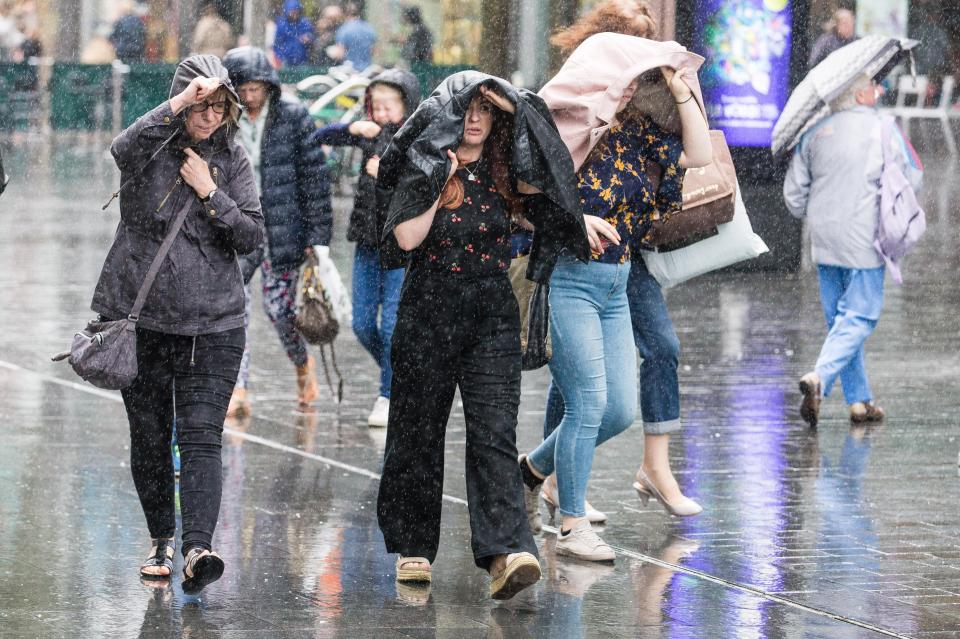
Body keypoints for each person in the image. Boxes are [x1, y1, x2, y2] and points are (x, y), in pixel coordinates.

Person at [376, 71, 589, 598]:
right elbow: (405, 239)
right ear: (450, 115)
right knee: (417, 432)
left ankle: (505, 552)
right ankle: (415, 547)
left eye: (486, 111)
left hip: (491, 313)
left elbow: (553, 184)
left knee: (494, 433)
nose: (474, 119)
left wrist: (516, 109)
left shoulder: (506, 169)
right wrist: (435, 181)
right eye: (467, 109)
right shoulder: (427, 163)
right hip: (428, 309)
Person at [519, 32, 713, 562]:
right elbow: (525, 196)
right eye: (625, 77)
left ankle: (532, 470)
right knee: (587, 406)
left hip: (617, 281)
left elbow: (698, 153)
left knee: (620, 412)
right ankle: (574, 523)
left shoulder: (638, 133)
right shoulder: (565, 126)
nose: (631, 88)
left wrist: (678, 91)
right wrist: (574, 218)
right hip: (571, 278)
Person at [90, 54, 263, 592]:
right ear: (181, 99)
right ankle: (163, 539)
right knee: (150, 436)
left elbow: (252, 235)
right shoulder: (148, 148)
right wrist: (178, 104)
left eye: (218, 106)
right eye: (199, 104)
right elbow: (120, 147)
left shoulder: (233, 159)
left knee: (202, 437)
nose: (209, 116)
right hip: (142, 320)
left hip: (214, 325)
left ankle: (199, 549)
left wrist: (211, 192)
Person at [784, 74, 922, 427]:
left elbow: (794, 195)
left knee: (840, 322)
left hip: (824, 238)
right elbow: (913, 175)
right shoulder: (884, 127)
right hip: (864, 235)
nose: (876, 90)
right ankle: (820, 378)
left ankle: (860, 401)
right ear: (859, 94)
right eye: (872, 85)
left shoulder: (812, 132)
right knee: (859, 316)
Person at [222, 46, 333, 417]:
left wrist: (317, 238)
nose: (250, 96)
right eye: (243, 89)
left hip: (284, 229)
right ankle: (237, 388)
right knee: (233, 311)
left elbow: (315, 181)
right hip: (237, 228)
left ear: (269, 86)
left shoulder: (293, 117)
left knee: (281, 311)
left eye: (256, 88)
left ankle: (302, 364)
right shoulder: (222, 120)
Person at [312, 69, 420, 427]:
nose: (383, 113)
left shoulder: (418, 138)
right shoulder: (369, 133)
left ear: (407, 105)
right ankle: (404, 380)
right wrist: (350, 130)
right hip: (367, 240)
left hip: (400, 245)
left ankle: (388, 395)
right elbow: (317, 137)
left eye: (391, 105)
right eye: (377, 105)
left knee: (391, 325)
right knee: (360, 324)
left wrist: (388, 172)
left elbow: (424, 184)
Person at [331, 3, 376, 71]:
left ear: (344, 14)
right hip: (367, 69)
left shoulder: (343, 30)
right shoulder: (368, 28)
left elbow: (340, 54)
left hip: (350, 71)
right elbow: (374, 50)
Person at [273, 0, 315, 67]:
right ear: (287, 11)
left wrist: (308, 37)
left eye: (296, 11)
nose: (294, 13)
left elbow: (312, 36)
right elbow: (277, 44)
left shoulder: (304, 23)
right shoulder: (281, 24)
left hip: (302, 60)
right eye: (292, 11)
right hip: (285, 61)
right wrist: (279, 58)